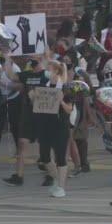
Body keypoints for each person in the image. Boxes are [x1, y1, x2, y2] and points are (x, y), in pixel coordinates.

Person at [2, 54, 49, 187]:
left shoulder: (46, 74)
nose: (32, 61)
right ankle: (19, 176)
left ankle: (50, 174)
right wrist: (8, 59)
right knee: (22, 143)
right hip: (28, 113)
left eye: (35, 59)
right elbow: (11, 76)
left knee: (44, 146)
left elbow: (59, 80)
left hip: (43, 114)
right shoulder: (27, 75)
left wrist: (44, 58)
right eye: (31, 59)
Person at [30, 60, 73, 198]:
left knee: (60, 156)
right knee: (44, 156)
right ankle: (57, 179)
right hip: (45, 125)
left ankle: (61, 187)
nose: (47, 71)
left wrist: (60, 101)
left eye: (49, 69)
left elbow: (69, 109)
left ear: (56, 71)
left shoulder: (65, 88)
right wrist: (33, 97)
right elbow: (37, 104)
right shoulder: (44, 86)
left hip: (60, 126)